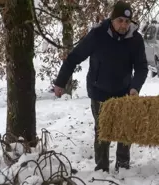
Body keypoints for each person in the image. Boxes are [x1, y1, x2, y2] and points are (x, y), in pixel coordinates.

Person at [53, 1, 148, 173]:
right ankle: (102, 167)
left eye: (127, 22)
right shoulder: (98, 35)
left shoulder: (135, 39)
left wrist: (135, 87)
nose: (124, 25)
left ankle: (123, 165)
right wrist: (60, 82)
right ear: (112, 20)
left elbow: (142, 67)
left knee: (125, 126)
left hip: (124, 90)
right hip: (99, 90)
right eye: (120, 20)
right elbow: (74, 57)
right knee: (103, 129)